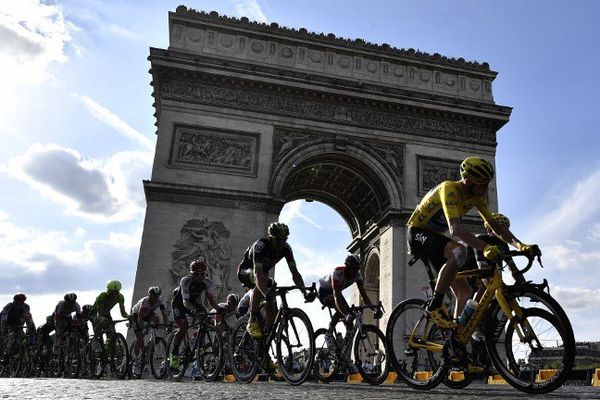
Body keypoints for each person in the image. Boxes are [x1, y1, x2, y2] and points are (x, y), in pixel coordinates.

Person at [406, 156, 540, 330]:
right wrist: (485, 247)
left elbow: (496, 227)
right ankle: (435, 306)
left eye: (487, 184)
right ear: (468, 181)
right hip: (417, 233)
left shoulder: (476, 199)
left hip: (435, 240)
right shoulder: (449, 188)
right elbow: (456, 230)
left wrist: (521, 246)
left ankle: (455, 338)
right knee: (458, 251)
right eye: (482, 185)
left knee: (465, 293)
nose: (485, 189)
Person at [237, 222, 316, 339]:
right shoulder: (260, 246)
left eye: (284, 239)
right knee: (264, 280)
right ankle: (252, 320)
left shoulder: (286, 249)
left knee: (271, 299)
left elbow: (295, 274)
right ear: (270, 238)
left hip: (262, 274)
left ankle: (269, 334)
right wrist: (265, 294)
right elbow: (257, 273)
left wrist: (304, 292)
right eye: (278, 240)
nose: (281, 243)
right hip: (247, 271)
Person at [317, 254, 380, 373]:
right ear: (347, 267)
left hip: (337, 293)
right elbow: (336, 298)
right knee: (342, 311)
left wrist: (373, 309)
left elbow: (364, 295)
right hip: (325, 291)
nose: (355, 272)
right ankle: (329, 333)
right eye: (353, 269)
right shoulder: (337, 273)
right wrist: (346, 314)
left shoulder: (357, 275)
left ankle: (346, 356)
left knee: (350, 325)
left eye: (357, 269)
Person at [169, 259, 219, 369]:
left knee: (205, 318)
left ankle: (197, 343)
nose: (199, 277)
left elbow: (211, 301)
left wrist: (219, 309)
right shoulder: (185, 281)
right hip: (179, 304)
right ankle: (174, 353)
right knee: (184, 326)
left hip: (194, 302)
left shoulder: (207, 282)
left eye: (202, 274)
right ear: (192, 274)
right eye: (196, 274)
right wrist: (194, 311)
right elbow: (185, 302)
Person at [130, 286, 169, 373]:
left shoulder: (159, 300)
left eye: (157, 296)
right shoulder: (145, 302)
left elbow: (164, 314)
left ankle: (155, 336)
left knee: (157, 318)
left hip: (148, 313)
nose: (156, 298)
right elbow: (140, 318)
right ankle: (135, 361)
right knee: (140, 337)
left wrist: (166, 325)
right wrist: (143, 328)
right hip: (137, 315)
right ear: (150, 296)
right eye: (154, 296)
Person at [0, 293, 35, 359]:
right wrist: (3, 330)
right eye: (17, 301)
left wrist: (30, 328)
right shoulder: (8, 306)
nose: (19, 304)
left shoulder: (26, 306)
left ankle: (17, 353)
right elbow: (3, 319)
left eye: (22, 302)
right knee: (4, 336)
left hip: (17, 323)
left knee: (20, 336)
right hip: (5, 322)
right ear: (14, 301)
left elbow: (28, 318)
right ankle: (3, 354)